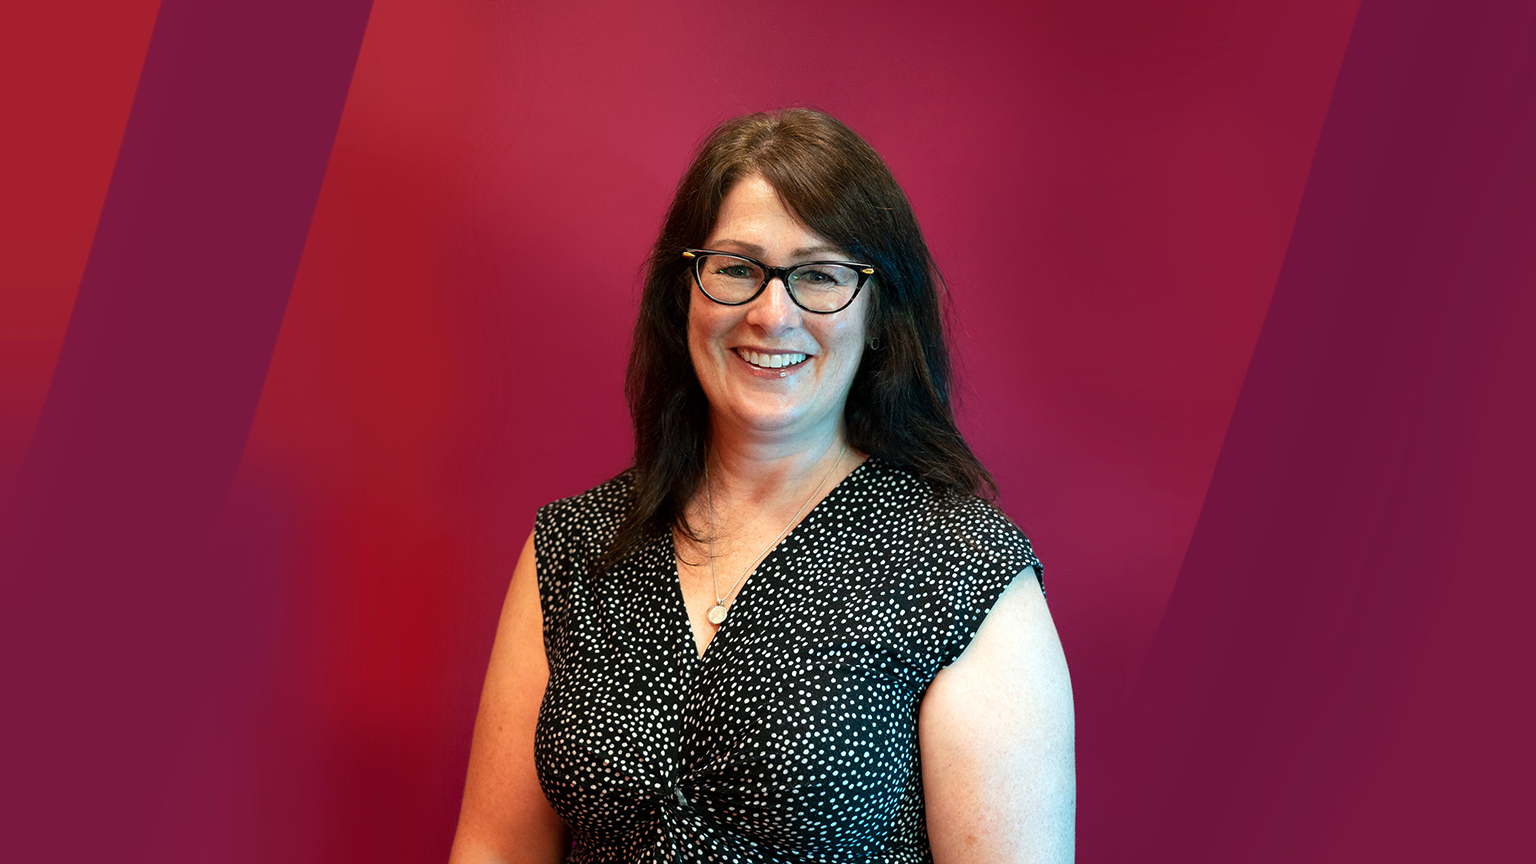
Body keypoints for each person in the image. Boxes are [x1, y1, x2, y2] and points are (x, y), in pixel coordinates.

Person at [449, 109, 1074, 863]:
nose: (772, 314)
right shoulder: (575, 547)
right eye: (738, 268)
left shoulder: (961, 570)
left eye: (820, 275)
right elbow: (492, 849)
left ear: (878, 315)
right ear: (686, 292)